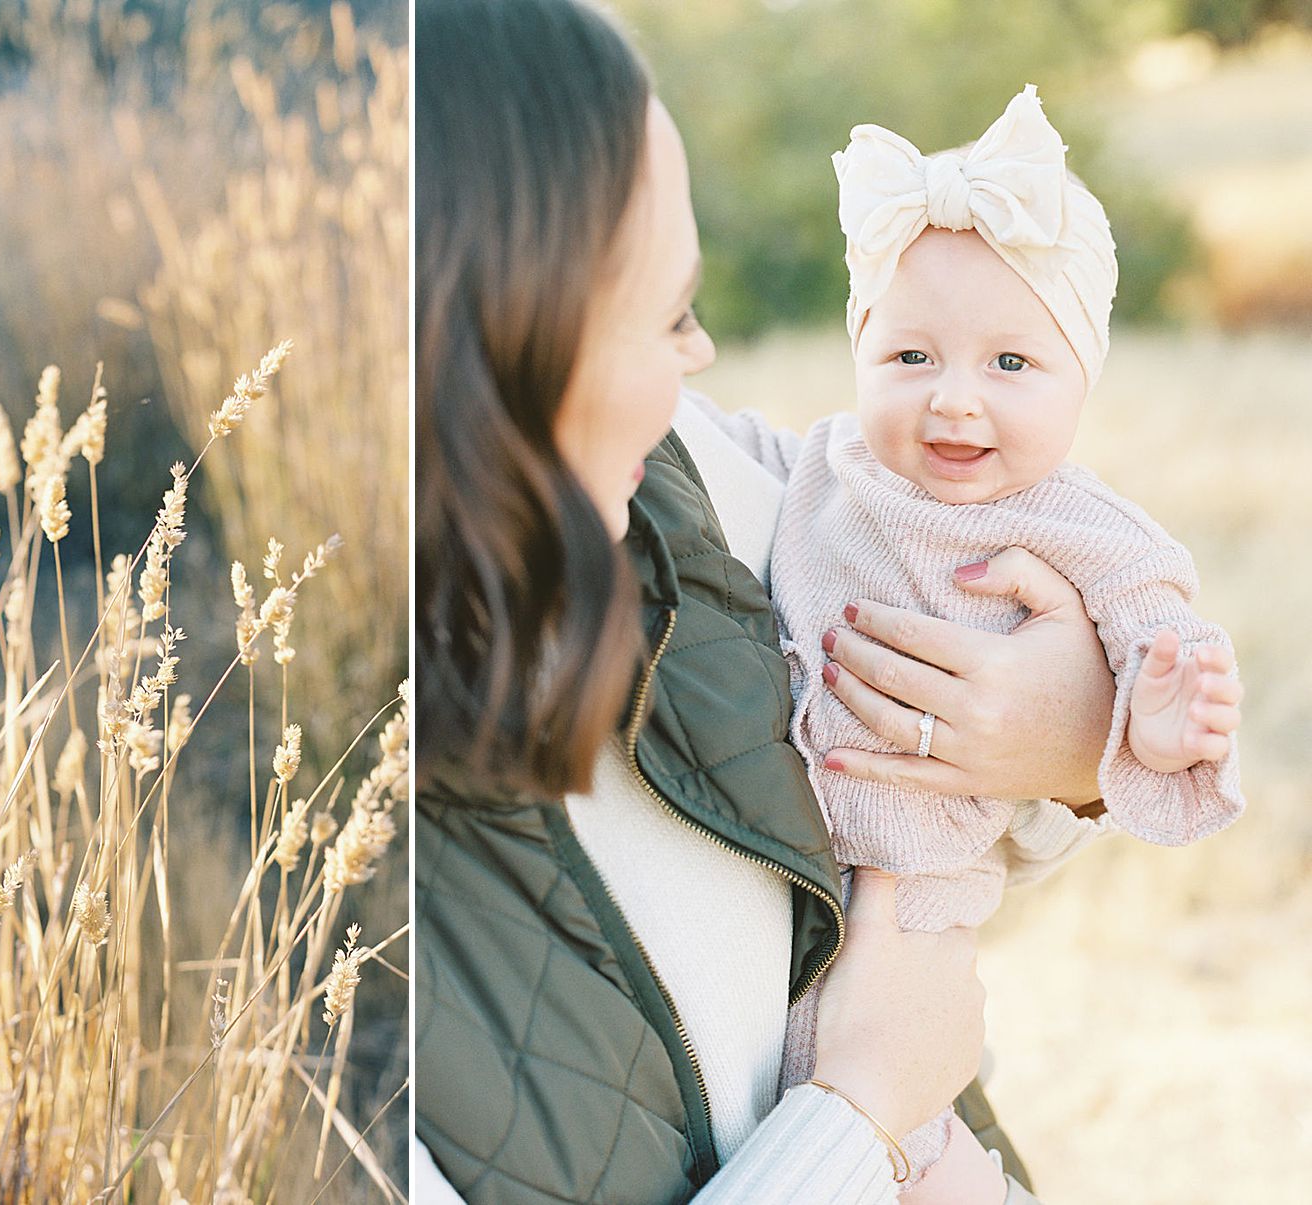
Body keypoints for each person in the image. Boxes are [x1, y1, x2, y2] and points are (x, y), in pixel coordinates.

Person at [416, 1, 1127, 1202]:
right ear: (508, 349)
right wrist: (860, 1118)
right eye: (671, 313)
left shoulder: (673, 483)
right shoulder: (324, 933)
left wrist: (1067, 740)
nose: (699, 363)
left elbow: (912, 806)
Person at [709, 85, 1247, 1194]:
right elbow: (715, 456)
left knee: (904, 1132)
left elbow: (1151, 616)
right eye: (911, 356)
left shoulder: (1068, 520)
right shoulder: (827, 464)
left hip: (915, 891)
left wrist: (1154, 706)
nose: (956, 401)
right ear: (860, 351)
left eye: (1011, 365)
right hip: (780, 869)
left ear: (1079, 378)